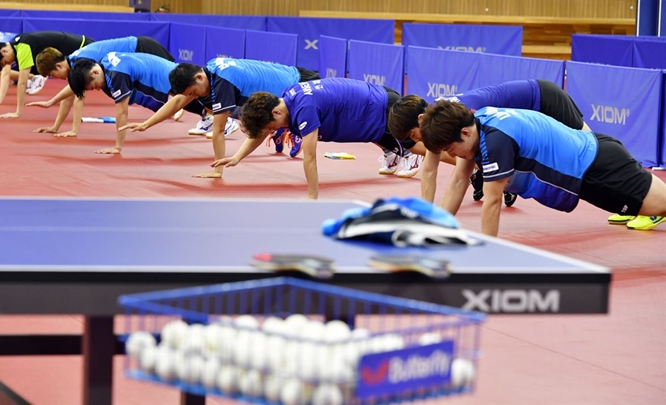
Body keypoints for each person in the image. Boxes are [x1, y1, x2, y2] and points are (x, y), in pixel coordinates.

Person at [420, 100, 666, 235]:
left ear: (464, 133)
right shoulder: (480, 120)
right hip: (597, 153)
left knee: (661, 206)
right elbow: (457, 181)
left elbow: (492, 201)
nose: (452, 156)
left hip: (597, 171)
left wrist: (488, 255)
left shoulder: (495, 141)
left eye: (450, 149)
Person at [389, 79, 593, 207]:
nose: (417, 141)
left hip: (544, 98)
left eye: (414, 135)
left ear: (421, 119)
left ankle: (624, 189)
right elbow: (429, 170)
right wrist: (427, 215)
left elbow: (459, 177)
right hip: (524, 119)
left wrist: (439, 222)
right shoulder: (437, 118)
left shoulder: (453, 118)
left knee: (592, 147)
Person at [211, 78, 419, 199]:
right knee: (362, 127)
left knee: (427, 148)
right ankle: (392, 151)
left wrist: (312, 197)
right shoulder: (286, 98)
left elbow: (310, 157)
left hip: (384, 108)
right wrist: (237, 157)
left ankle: (425, 155)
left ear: (275, 113)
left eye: (273, 127)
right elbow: (263, 131)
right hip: (370, 108)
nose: (274, 131)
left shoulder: (304, 109)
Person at [119, 57, 320, 178]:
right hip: (287, 84)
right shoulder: (210, 69)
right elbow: (179, 101)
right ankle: (280, 129)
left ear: (198, 78)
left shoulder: (222, 82)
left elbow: (218, 131)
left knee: (294, 126)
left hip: (299, 86)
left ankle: (288, 129)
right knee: (260, 119)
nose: (193, 97)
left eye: (193, 92)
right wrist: (147, 124)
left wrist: (218, 170)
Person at [29, 36, 176, 138]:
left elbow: (79, 98)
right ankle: (176, 106)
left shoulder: (81, 62)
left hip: (143, 48)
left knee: (178, 81)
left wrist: (74, 130)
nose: (55, 78)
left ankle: (189, 110)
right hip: (138, 51)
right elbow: (71, 93)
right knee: (173, 87)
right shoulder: (74, 62)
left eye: (53, 74)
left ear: (59, 65)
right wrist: (54, 121)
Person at [67, 52, 208, 154]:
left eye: (94, 86)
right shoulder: (105, 62)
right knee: (192, 102)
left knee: (198, 99)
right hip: (163, 69)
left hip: (164, 78)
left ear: (94, 73)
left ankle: (220, 119)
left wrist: (117, 147)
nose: (97, 89)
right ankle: (213, 116)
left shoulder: (116, 74)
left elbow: (122, 112)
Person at [0, 31, 93, 118]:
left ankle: (73, 128)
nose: (8, 64)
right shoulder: (16, 44)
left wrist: (17, 112)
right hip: (79, 46)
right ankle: (60, 126)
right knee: (72, 90)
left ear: (4, 51)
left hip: (84, 47)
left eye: (5, 62)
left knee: (79, 89)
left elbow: (22, 83)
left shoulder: (23, 48)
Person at [0, 30, 44, 103]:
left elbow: (5, 74)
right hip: (18, 58)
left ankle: (34, 76)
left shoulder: (0, 45)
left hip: (30, 55)